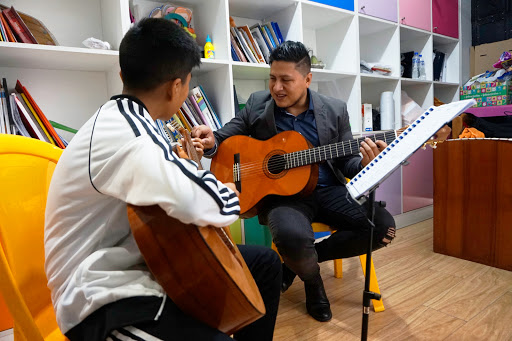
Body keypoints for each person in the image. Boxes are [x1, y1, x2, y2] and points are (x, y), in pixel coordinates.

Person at [44, 18, 281, 341]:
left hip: (135, 266)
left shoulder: (125, 119)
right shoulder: (132, 135)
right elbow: (201, 201)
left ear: (122, 75)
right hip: (96, 297)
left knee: (265, 264)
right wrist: (226, 194)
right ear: (176, 87)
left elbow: (172, 179)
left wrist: (192, 176)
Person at [193, 41, 396, 322]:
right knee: (291, 236)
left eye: (286, 80)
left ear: (307, 79)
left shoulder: (335, 109)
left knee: (384, 228)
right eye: (273, 78)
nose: (277, 87)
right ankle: (314, 285)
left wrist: (364, 162)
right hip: (283, 197)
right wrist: (211, 140)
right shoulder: (257, 104)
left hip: (328, 190)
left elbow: (345, 160)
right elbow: (225, 137)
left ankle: (295, 264)